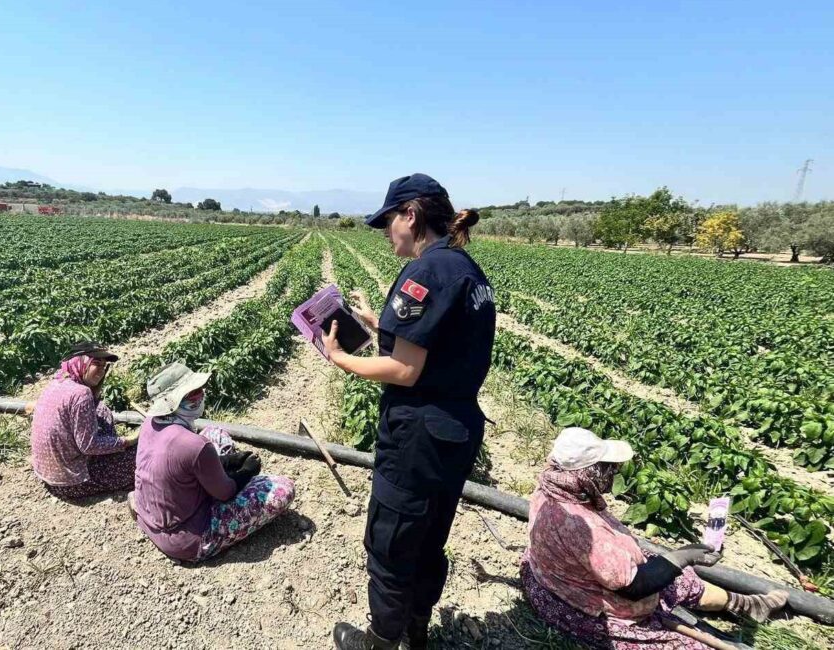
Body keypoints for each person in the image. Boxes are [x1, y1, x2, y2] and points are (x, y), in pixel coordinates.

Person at [323, 174, 495, 650]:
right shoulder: (466, 270)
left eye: (388, 221)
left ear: (411, 216)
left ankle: (381, 641)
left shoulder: (426, 271)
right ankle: (417, 630)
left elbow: (403, 368)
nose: (385, 232)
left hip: (419, 434)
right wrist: (382, 324)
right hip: (456, 430)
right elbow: (442, 345)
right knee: (428, 536)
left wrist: (340, 358)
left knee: (392, 539)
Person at [522, 427, 790, 649]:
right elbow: (634, 586)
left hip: (555, 576)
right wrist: (683, 556)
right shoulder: (580, 526)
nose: (613, 473)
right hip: (587, 606)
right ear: (587, 474)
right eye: (607, 468)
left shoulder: (552, 486)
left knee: (677, 578)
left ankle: (746, 605)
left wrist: (673, 562)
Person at [132, 362, 295, 563]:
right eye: (193, 394)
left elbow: (186, 460)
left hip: (149, 516)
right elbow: (225, 493)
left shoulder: (150, 422)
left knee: (216, 434)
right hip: (185, 538)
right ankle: (204, 541)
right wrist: (246, 472)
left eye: (199, 390)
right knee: (282, 489)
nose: (200, 396)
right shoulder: (194, 446)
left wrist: (227, 461)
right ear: (174, 402)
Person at [30, 342, 139, 500]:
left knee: (101, 410)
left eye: (104, 366)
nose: (101, 371)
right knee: (144, 455)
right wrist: (128, 441)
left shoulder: (56, 383)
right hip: (72, 483)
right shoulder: (81, 393)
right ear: (80, 362)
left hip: (49, 478)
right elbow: (89, 445)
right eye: (96, 364)